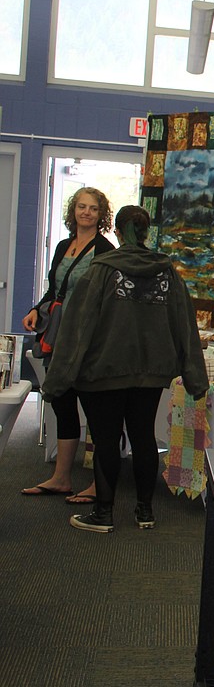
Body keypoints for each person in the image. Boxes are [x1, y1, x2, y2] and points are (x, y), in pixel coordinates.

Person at [41, 205, 209, 533]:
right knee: (143, 436)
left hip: (104, 370)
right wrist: (195, 378)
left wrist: (57, 379)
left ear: (117, 232)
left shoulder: (101, 271)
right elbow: (185, 325)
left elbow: (78, 327)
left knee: (106, 441)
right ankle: (144, 511)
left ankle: (103, 514)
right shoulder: (168, 273)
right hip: (151, 372)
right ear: (147, 233)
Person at [20, 187, 115, 503]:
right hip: (58, 337)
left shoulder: (104, 250)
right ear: (73, 210)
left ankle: (98, 483)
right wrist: (37, 309)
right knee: (61, 401)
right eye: (81, 207)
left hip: (86, 339)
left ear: (101, 215)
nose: (86, 212)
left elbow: (107, 299)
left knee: (94, 409)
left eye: (92, 208)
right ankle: (61, 478)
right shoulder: (64, 245)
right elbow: (55, 290)